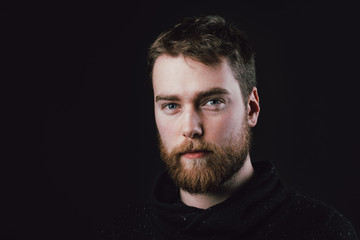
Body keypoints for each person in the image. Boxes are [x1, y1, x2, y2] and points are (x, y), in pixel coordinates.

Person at [99, 15, 358, 239]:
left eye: (212, 102)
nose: (190, 128)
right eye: (171, 106)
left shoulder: (322, 232)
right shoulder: (123, 233)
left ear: (252, 108)